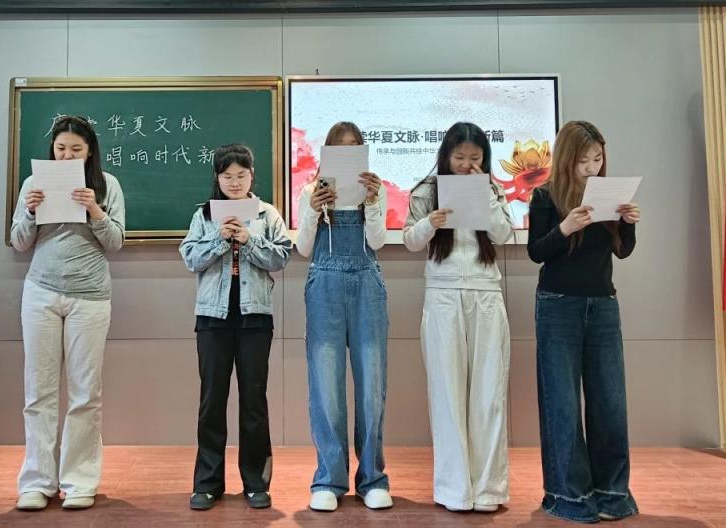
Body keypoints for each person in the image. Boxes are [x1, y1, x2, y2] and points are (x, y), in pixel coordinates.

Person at [10, 115, 125, 511]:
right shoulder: (34, 183)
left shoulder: (107, 185)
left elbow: (116, 241)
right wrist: (29, 212)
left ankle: (79, 481)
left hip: (89, 297)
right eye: (61, 149)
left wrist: (95, 210)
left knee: (85, 393)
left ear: (89, 152)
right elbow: (19, 242)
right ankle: (37, 482)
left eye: (76, 149)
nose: (66, 155)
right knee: (38, 391)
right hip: (40, 293)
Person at [528, 121, 641, 523]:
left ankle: (612, 493)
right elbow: (537, 252)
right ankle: (568, 495)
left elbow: (622, 252)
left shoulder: (607, 195)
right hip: (558, 305)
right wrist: (565, 228)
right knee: (561, 403)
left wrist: (628, 224)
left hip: (603, 304)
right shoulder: (545, 195)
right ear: (566, 159)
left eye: (598, 159)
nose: (592, 167)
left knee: (610, 401)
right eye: (584, 161)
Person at [403, 122, 514, 513]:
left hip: (486, 293)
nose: (467, 165)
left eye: (475, 158)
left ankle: (489, 490)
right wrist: (429, 223)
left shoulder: (493, 189)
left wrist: (485, 195)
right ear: (446, 156)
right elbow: (410, 240)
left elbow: (503, 235)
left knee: (488, 395)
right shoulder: (426, 190)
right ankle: (454, 491)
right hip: (443, 295)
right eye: (460, 157)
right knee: (447, 394)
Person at [180, 144, 292, 511]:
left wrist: (249, 238)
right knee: (212, 400)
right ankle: (207, 483)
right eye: (227, 176)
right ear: (217, 177)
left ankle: (256, 482)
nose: (234, 182)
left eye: (241, 175)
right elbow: (190, 258)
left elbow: (282, 256)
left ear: (251, 176)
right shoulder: (204, 214)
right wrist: (219, 238)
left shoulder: (266, 213)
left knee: (254, 400)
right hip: (212, 317)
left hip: (254, 317)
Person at [295, 122, 391, 512]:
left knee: (372, 383)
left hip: (367, 280)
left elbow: (378, 241)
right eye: (339, 147)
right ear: (327, 153)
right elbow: (303, 249)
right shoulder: (309, 192)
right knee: (325, 385)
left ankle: (372, 478)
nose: (347, 152)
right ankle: (328, 479)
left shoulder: (375, 190)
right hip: (325, 282)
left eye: (354, 147)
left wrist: (373, 202)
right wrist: (313, 211)